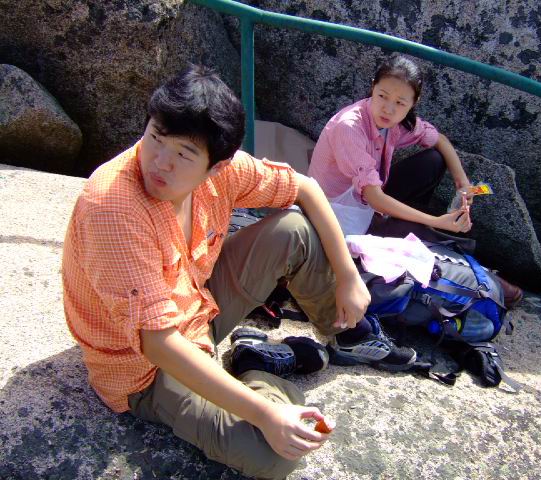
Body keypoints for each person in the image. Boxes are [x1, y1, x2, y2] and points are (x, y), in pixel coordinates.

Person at [61, 64, 419, 480]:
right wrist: (266, 413)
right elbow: (157, 345)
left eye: (184, 154)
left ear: (217, 166)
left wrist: (348, 277)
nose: (160, 162)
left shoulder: (225, 172)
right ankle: (257, 371)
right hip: (144, 367)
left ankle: (346, 335)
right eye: (155, 137)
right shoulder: (113, 209)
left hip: (198, 306)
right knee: (275, 455)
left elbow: (306, 189)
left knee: (294, 230)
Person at [308, 54, 522, 307]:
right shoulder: (350, 127)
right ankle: (483, 280)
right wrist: (434, 220)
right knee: (420, 233)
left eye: (400, 102)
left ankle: (428, 240)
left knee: (433, 161)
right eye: (382, 96)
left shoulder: (395, 124)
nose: (388, 109)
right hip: (335, 218)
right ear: (372, 87)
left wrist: (462, 182)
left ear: (413, 103)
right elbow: (375, 197)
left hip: (367, 203)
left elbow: (439, 140)